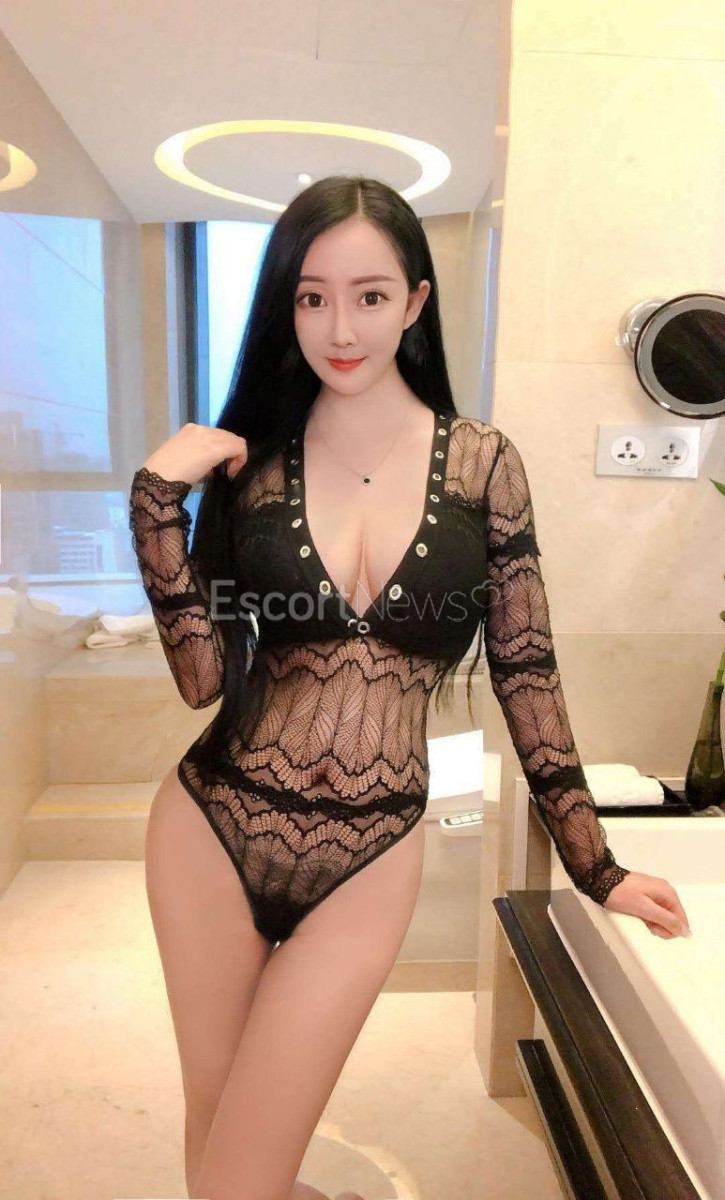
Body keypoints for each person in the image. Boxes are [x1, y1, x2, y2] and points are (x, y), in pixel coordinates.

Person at [129, 175, 691, 1200]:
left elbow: (525, 669)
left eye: (370, 295)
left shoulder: (482, 464)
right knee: (220, 1152)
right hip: (209, 826)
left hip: (371, 849)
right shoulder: (250, 464)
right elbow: (202, 679)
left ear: (416, 301)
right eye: (311, 297)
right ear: (285, 305)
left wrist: (594, 865)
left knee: (235, 1178)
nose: (339, 327)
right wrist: (156, 503)